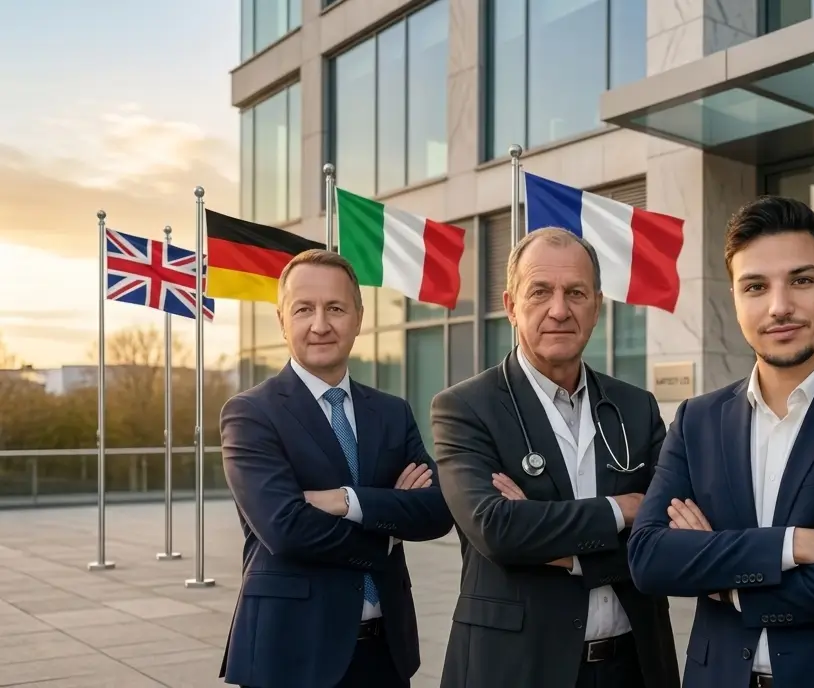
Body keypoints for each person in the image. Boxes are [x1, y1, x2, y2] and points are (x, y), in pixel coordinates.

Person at [627, 195, 814, 688]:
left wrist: (726, 582)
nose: (779, 306)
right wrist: (793, 544)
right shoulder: (697, 420)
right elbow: (649, 559)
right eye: (756, 287)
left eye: (802, 280)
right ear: (735, 299)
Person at [430, 228, 679, 688]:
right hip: (515, 668)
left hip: (635, 667)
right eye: (540, 291)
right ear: (510, 305)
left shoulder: (636, 407)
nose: (559, 310)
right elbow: (498, 530)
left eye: (576, 293)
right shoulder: (465, 408)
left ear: (597, 306)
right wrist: (620, 510)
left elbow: (668, 533)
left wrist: (556, 545)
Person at [219, 249, 455, 688]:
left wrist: (347, 501)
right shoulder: (251, 413)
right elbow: (286, 528)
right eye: (304, 309)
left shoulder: (391, 412)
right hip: (291, 654)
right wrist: (387, 528)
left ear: (359, 317)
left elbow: (438, 509)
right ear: (281, 319)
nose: (320, 324)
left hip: (386, 651)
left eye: (335, 308)